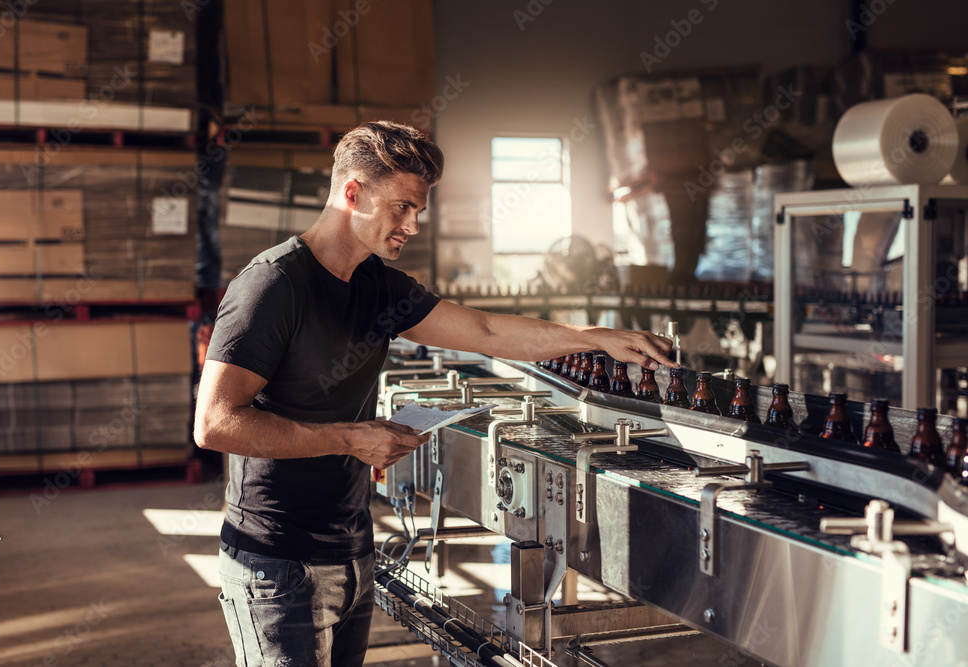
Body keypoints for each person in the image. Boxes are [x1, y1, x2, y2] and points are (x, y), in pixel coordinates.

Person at [194, 121, 675, 667]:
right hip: (278, 564)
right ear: (352, 193)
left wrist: (596, 339)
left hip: (352, 549)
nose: (414, 225)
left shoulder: (378, 287)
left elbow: (487, 333)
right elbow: (213, 423)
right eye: (402, 207)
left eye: (418, 210)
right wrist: (350, 438)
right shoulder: (272, 287)